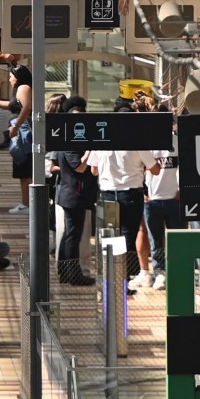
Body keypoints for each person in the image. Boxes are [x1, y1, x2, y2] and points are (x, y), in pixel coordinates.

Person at [48, 104, 98, 286]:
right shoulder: (69, 142)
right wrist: (90, 150)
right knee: (72, 235)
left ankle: (65, 272)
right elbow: (80, 166)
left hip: (73, 193)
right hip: (73, 195)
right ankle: (73, 274)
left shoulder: (68, 138)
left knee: (70, 234)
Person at [91, 141, 154, 287]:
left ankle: (112, 278)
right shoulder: (137, 143)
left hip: (107, 195)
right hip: (130, 196)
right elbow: (155, 169)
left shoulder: (100, 141)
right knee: (127, 237)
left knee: (111, 236)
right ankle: (121, 279)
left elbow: (94, 170)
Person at [142, 109, 181, 289]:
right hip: (153, 199)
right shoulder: (147, 143)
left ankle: (179, 272)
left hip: (174, 198)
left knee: (178, 239)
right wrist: (143, 191)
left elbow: (186, 165)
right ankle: (160, 274)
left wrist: (181, 189)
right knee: (155, 240)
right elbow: (139, 167)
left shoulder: (178, 141)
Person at [4, 63, 34, 195]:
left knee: (25, 171)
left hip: (24, 134)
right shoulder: (22, 89)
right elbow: (13, 105)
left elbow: (27, 108)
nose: (10, 79)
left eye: (11, 76)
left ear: (17, 77)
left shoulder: (23, 88)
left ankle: (28, 204)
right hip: (21, 132)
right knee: (23, 170)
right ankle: (26, 204)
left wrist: (16, 127)